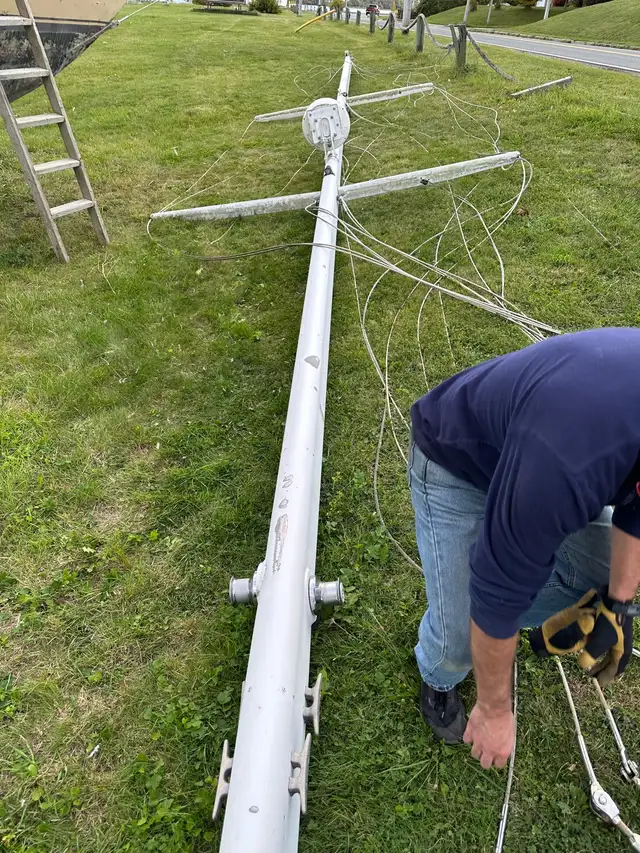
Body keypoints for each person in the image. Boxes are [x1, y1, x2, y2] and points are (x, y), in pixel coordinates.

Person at [408, 327, 640, 769]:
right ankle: (439, 675)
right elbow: (497, 592)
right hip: (454, 468)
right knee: (461, 631)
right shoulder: (568, 464)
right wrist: (494, 709)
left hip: (533, 458)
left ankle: (495, 635)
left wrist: (620, 604)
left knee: (602, 567)